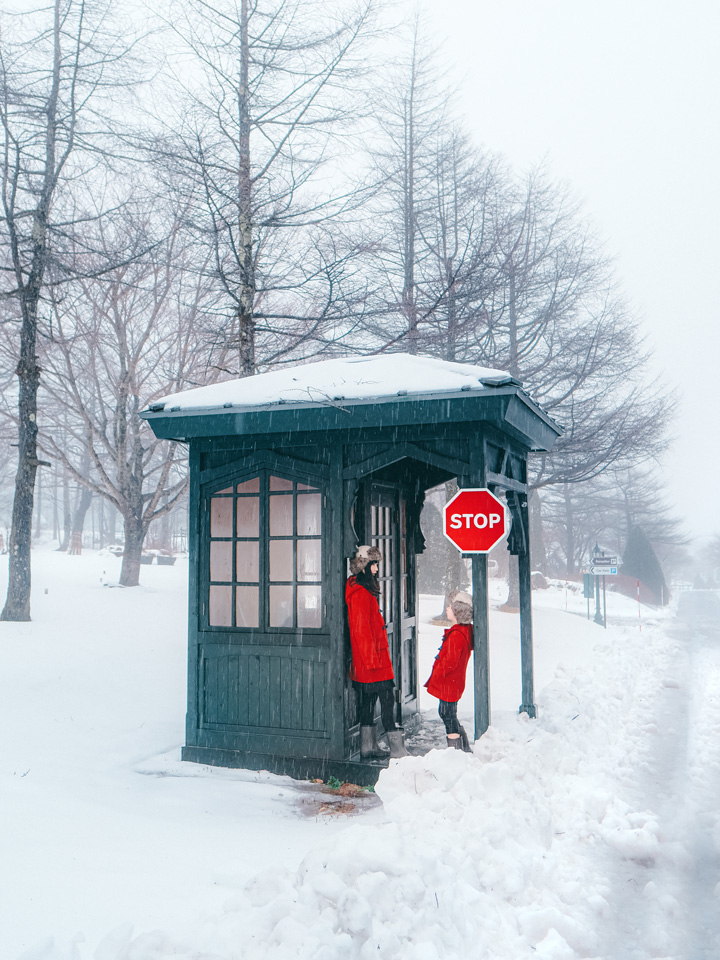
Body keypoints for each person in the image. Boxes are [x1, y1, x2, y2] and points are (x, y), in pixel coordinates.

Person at [346, 545, 409, 759]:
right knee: (387, 699)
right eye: (373, 564)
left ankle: (368, 746)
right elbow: (361, 631)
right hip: (373, 662)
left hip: (370, 660)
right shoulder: (361, 594)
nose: (376, 569)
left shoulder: (361, 591)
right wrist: (372, 662)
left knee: (369, 701)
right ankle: (397, 749)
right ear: (363, 566)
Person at [424, 590, 474, 752]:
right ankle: (461, 746)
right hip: (453, 682)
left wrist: (438, 673)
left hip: (450, 682)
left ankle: (457, 750)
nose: (447, 609)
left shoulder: (457, 635)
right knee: (448, 712)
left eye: (450, 607)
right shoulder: (460, 632)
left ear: (458, 612)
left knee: (447, 713)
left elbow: (449, 662)